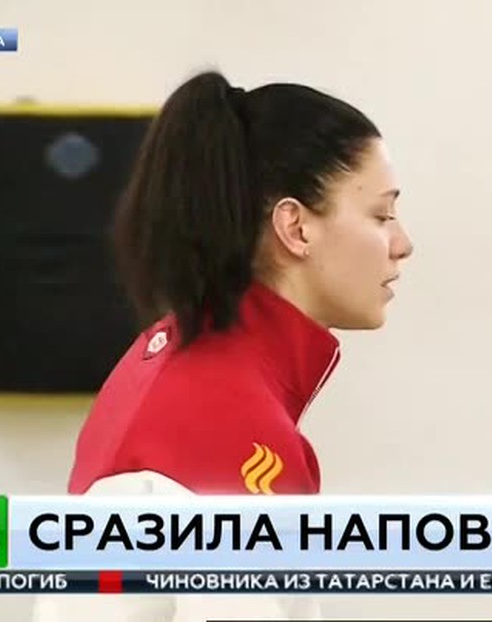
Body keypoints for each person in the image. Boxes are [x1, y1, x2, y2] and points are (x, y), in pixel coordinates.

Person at [32, 70, 414, 621]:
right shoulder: (236, 431)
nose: (402, 244)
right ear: (296, 228)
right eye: (380, 215)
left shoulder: (171, 359)